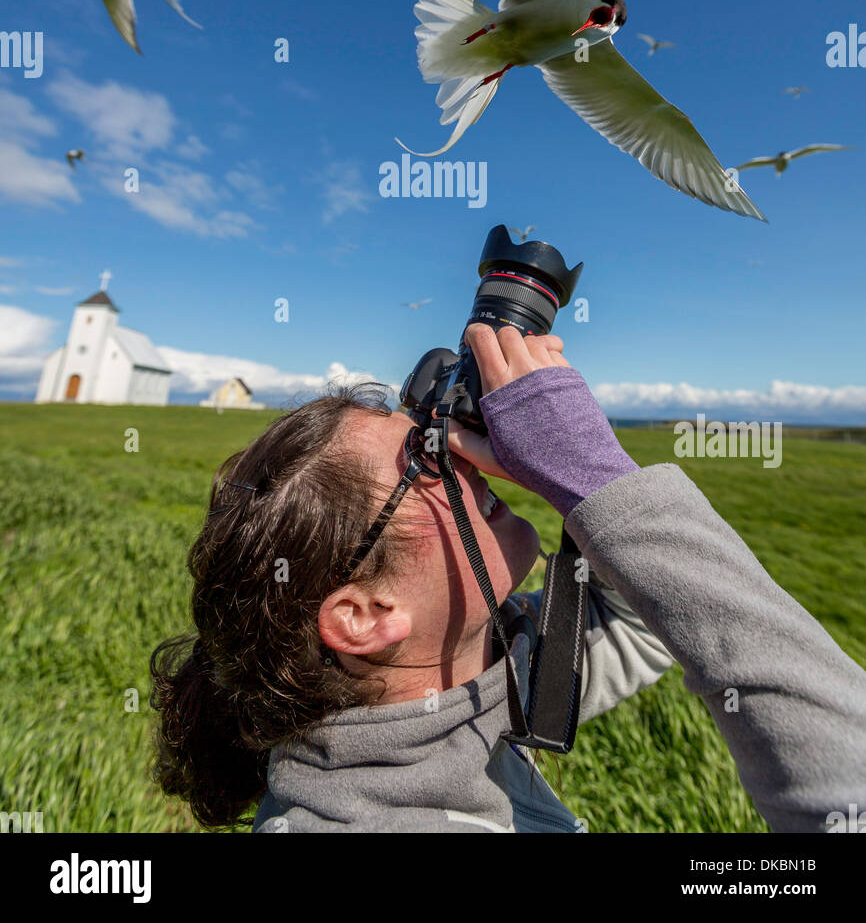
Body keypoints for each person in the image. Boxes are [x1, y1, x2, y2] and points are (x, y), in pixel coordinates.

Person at [151, 325, 866, 833]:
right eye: (424, 461)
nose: (460, 456)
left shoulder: (487, 686)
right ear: (364, 614)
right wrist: (590, 476)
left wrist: (577, 474)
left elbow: (652, 616)